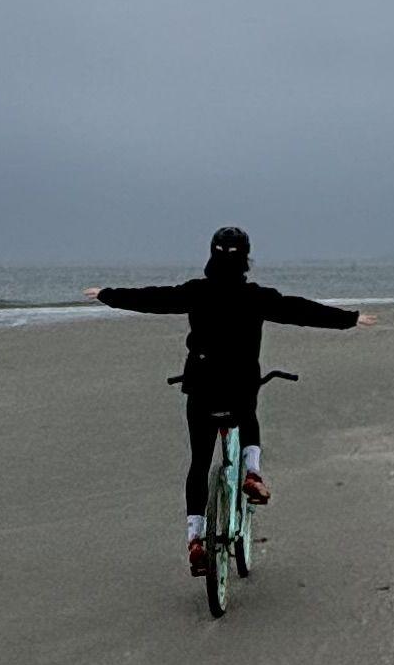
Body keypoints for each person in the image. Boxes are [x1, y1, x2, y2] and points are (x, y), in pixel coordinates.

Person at [93, 226, 364, 577]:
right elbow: (299, 310)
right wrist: (350, 319)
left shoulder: (196, 292)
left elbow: (152, 299)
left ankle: (195, 538)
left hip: (201, 387)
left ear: (211, 254)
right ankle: (252, 473)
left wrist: (107, 294)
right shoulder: (256, 297)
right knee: (247, 412)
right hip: (239, 387)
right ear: (246, 258)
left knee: (200, 462)